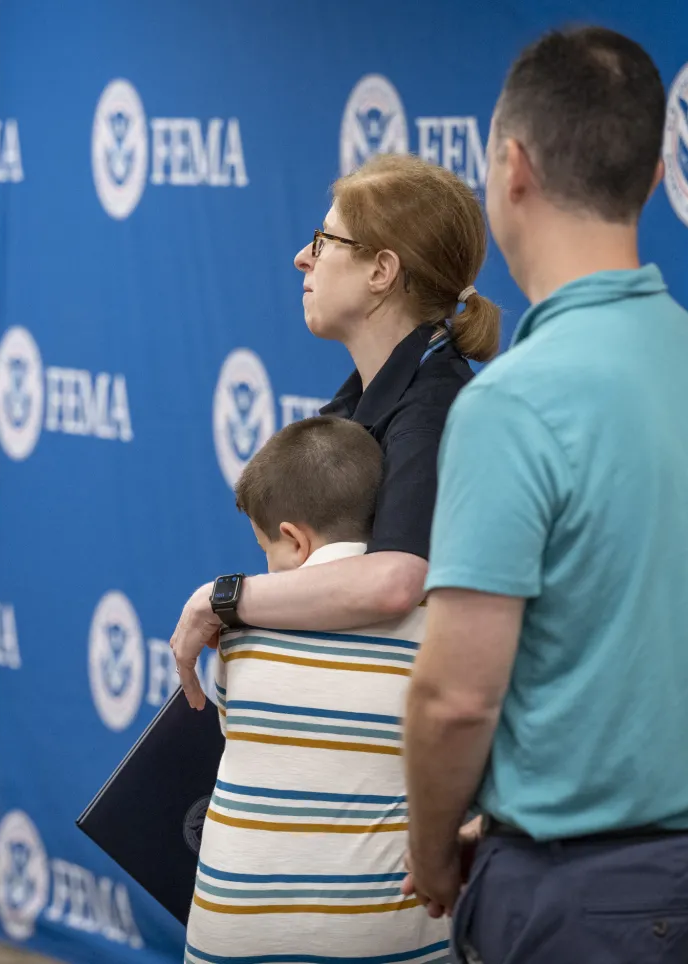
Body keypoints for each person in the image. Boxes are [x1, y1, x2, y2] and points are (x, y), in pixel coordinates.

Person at [401, 26, 688, 964]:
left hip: (600, 890)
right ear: (656, 177)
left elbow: (453, 697)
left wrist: (431, 854)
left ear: (512, 164)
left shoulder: (515, 398)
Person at [170, 152, 501, 706]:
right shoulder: (358, 406)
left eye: (324, 242)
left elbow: (396, 580)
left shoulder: (436, 408)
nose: (303, 258)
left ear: (381, 271)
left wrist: (224, 599)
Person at [185, 415, 452, 963]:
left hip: (230, 929)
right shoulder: (440, 627)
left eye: (267, 551)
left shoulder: (239, 635)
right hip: (380, 934)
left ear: (294, 540)